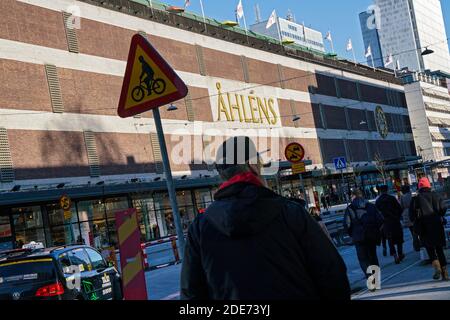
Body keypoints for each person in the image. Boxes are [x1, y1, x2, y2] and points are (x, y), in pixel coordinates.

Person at [180, 136, 351, 300]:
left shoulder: (200, 228)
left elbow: (191, 294)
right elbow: (332, 275)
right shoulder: (291, 213)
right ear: (252, 165)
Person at [410, 177, 448, 281]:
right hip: (437, 226)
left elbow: (411, 216)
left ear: (419, 187)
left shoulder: (416, 199)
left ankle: (437, 268)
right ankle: (445, 273)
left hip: (424, 229)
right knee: (439, 249)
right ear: (428, 185)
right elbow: (443, 209)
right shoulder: (436, 195)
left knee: (430, 250)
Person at [344, 189, 384, 280]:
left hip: (358, 237)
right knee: (373, 257)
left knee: (363, 258)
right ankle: (376, 279)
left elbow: (347, 224)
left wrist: (352, 234)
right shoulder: (370, 206)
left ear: (354, 196)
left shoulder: (350, 208)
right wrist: (376, 230)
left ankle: (369, 277)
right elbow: (380, 220)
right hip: (371, 235)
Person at [375, 185, 405, 264]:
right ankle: (400, 253)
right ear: (387, 190)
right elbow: (400, 209)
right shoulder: (392, 198)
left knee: (390, 240)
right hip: (395, 221)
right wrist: (397, 217)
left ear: (380, 191)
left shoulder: (378, 201)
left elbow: (376, 214)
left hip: (386, 223)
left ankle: (395, 256)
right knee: (399, 237)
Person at [399, 185, 420, 252]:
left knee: (412, 230)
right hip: (414, 212)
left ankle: (416, 245)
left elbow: (401, 206)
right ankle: (417, 244)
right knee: (417, 229)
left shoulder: (402, 197)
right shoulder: (412, 195)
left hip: (406, 214)